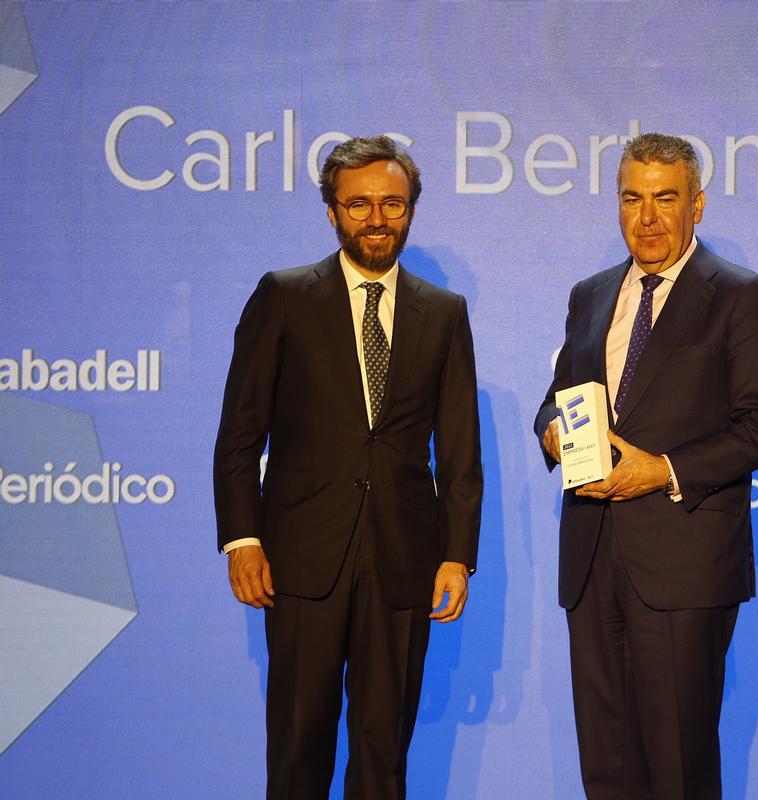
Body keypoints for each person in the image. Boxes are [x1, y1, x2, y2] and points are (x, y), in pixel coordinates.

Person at [213, 135, 483, 800]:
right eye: (358, 205)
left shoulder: (444, 314)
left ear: (411, 211)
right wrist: (242, 538)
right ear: (332, 213)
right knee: (299, 746)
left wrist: (456, 554)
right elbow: (239, 434)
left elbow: (460, 450)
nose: (376, 219)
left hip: (403, 559)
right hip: (302, 558)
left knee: (382, 750)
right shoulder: (283, 296)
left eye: (391, 204)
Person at [535, 132, 758, 799]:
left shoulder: (739, 295)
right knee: (607, 768)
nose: (646, 217)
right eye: (632, 198)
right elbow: (557, 400)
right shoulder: (589, 295)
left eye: (664, 198)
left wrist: (664, 470)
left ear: (697, 205)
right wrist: (554, 436)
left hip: (685, 565)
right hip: (592, 561)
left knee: (678, 769)